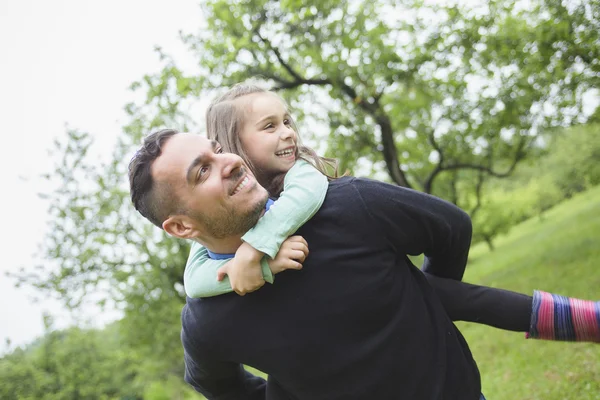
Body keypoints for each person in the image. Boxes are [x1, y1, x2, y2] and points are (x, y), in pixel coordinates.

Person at [128, 127, 597, 399]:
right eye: (201, 171)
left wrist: (426, 303)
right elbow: (216, 385)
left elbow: (450, 229)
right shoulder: (207, 318)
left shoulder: (347, 205)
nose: (228, 161)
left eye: (215, 149)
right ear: (181, 228)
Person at [183, 83, 600, 343]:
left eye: (288, 120)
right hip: (325, 338)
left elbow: (306, 192)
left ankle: (574, 318)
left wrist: (256, 248)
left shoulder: (307, 183)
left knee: (454, 296)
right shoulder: (226, 231)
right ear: (231, 149)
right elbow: (195, 280)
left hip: (375, 296)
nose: (289, 131)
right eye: (270, 126)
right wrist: (259, 265)